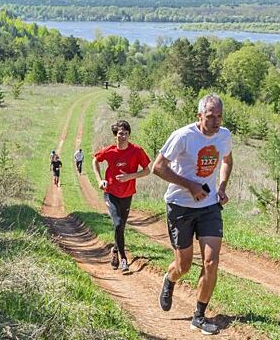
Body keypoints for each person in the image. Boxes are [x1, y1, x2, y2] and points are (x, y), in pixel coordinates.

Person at [152, 94, 233, 335]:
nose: (216, 121)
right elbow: (157, 167)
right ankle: (170, 278)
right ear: (199, 116)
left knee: (211, 261)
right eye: (210, 116)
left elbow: (227, 160)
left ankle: (199, 315)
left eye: (219, 116)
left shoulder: (224, 136)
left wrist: (221, 187)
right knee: (183, 265)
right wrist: (190, 185)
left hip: (208, 206)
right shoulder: (184, 136)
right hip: (180, 206)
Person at [92, 120, 151, 274]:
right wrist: (99, 180)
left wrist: (130, 176)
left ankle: (115, 250)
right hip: (110, 192)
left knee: (121, 226)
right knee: (118, 224)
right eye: (120, 134)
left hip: (127, 194)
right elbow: (95, 161)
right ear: (115, 136)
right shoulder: (110, 151)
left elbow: (147, 170)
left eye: (125, 133)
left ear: (129, 134)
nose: (123, 136)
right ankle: (124, 260)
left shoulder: (137, 151)